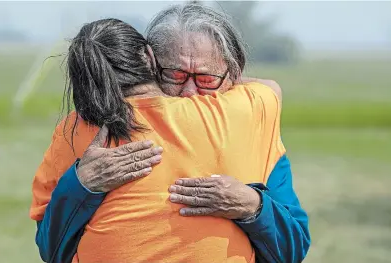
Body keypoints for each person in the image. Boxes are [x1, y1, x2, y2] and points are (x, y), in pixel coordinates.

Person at [31, 3, 310, 263]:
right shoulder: (82, 130)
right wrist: (80, 185)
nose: (190, 94)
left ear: (234, 77)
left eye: (206, 80)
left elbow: (292, 250)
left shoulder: (253, 126)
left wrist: (253, 206)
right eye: (174, 76)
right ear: (150, 65)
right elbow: (50, 248)